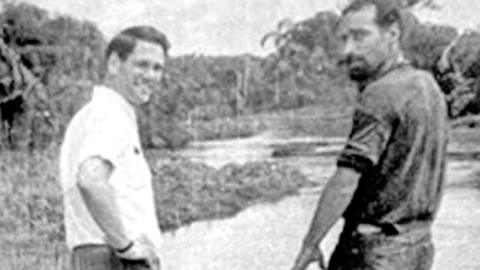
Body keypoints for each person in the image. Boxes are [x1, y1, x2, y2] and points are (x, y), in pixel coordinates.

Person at [291, 0, 448, 269]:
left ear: (393, 33)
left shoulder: (381, 93)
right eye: (344, 39)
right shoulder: (428, 85)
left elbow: (345, 181)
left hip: (374, 252)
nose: (348, 50)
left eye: (361, 36)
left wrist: (310, 243)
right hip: (417, 246)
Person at [59, 25, 170, 270]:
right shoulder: (110, 116)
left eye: (157, 68)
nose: (151, 75)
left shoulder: (94, 113)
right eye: (141, 65)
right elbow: (90, 179)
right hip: (114, 258)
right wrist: (127, 247)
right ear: (114, 64)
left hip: (97, 256)